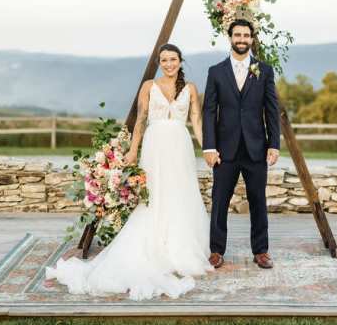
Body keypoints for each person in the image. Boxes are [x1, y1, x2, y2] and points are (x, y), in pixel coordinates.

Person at [45, 43, 212, 300]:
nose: (169, 64)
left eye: (173, 59)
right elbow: (141, 120)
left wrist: (208, 148)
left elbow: (197, 122)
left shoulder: (190, 89)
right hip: (154, 146)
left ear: (180, 61)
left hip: (180, 146)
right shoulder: (149, 86)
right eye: (164, 60)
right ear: (159, 62)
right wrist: (133, 150)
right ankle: (154, 244)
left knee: (180, 193)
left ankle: (179, 247)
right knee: (154, 194)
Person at [202, 19, 281, 270]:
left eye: (246, 35)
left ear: (252, 38)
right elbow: (208, 111)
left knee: (258, 201)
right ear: (230, 37)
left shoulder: (264, 70)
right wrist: (209, 147)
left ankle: (261, 251)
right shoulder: (215, 71)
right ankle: (216, 251)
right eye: (238, 35)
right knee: (220, 201)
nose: (242, 39)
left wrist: (274, 144)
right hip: (224, 150)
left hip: (256, 148)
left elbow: (271, 109)